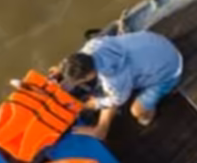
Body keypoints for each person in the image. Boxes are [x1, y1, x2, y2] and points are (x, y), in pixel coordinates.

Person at [55, 31, 183, 141]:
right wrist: (62, 70)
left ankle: (144, 114)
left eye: (78, 81)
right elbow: (77, 60)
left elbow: (117, 100)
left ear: (89, 76)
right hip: (157, 44)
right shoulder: (93, 45)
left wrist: (92, 104)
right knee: (111, 89)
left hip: (169, 70)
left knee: (138, 112)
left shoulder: (114, 79)